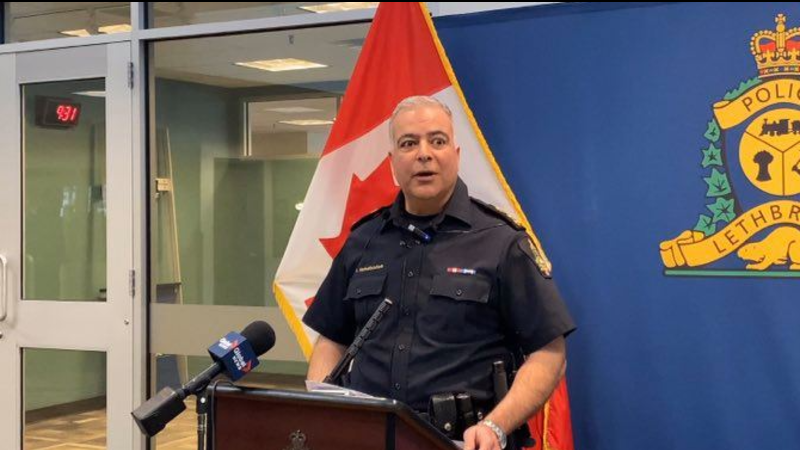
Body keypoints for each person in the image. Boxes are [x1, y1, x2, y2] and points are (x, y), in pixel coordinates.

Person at [303, 95, 575, 450]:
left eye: (437, 140)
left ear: (456, 155)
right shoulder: (363, 241)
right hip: (368, 438)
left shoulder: (501, 242)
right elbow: (331, 339)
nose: (424, 154)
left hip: (461, 442)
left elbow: (549, 353)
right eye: (408, 143)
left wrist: (496, 426)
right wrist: (322, 409)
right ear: (392, 162)